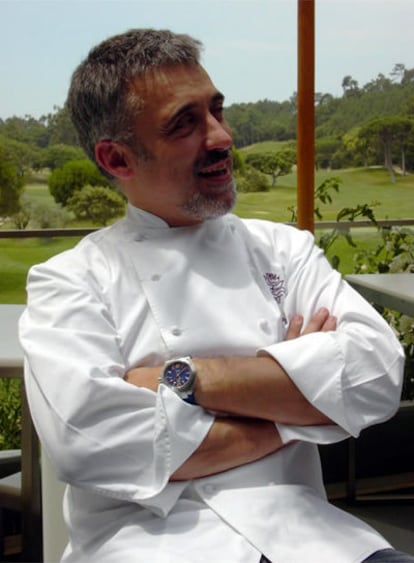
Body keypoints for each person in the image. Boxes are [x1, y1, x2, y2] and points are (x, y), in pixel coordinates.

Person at [19, 29, 412, 563]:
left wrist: (181, 379)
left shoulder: (284, 250)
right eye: (185, 123)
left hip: (313, 538)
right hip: (148, 548)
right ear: (116, 159)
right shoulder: (69, 280)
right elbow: (91, 445)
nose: (222, 136)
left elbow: (375, 374)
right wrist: (303, 407)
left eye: (216, 111)